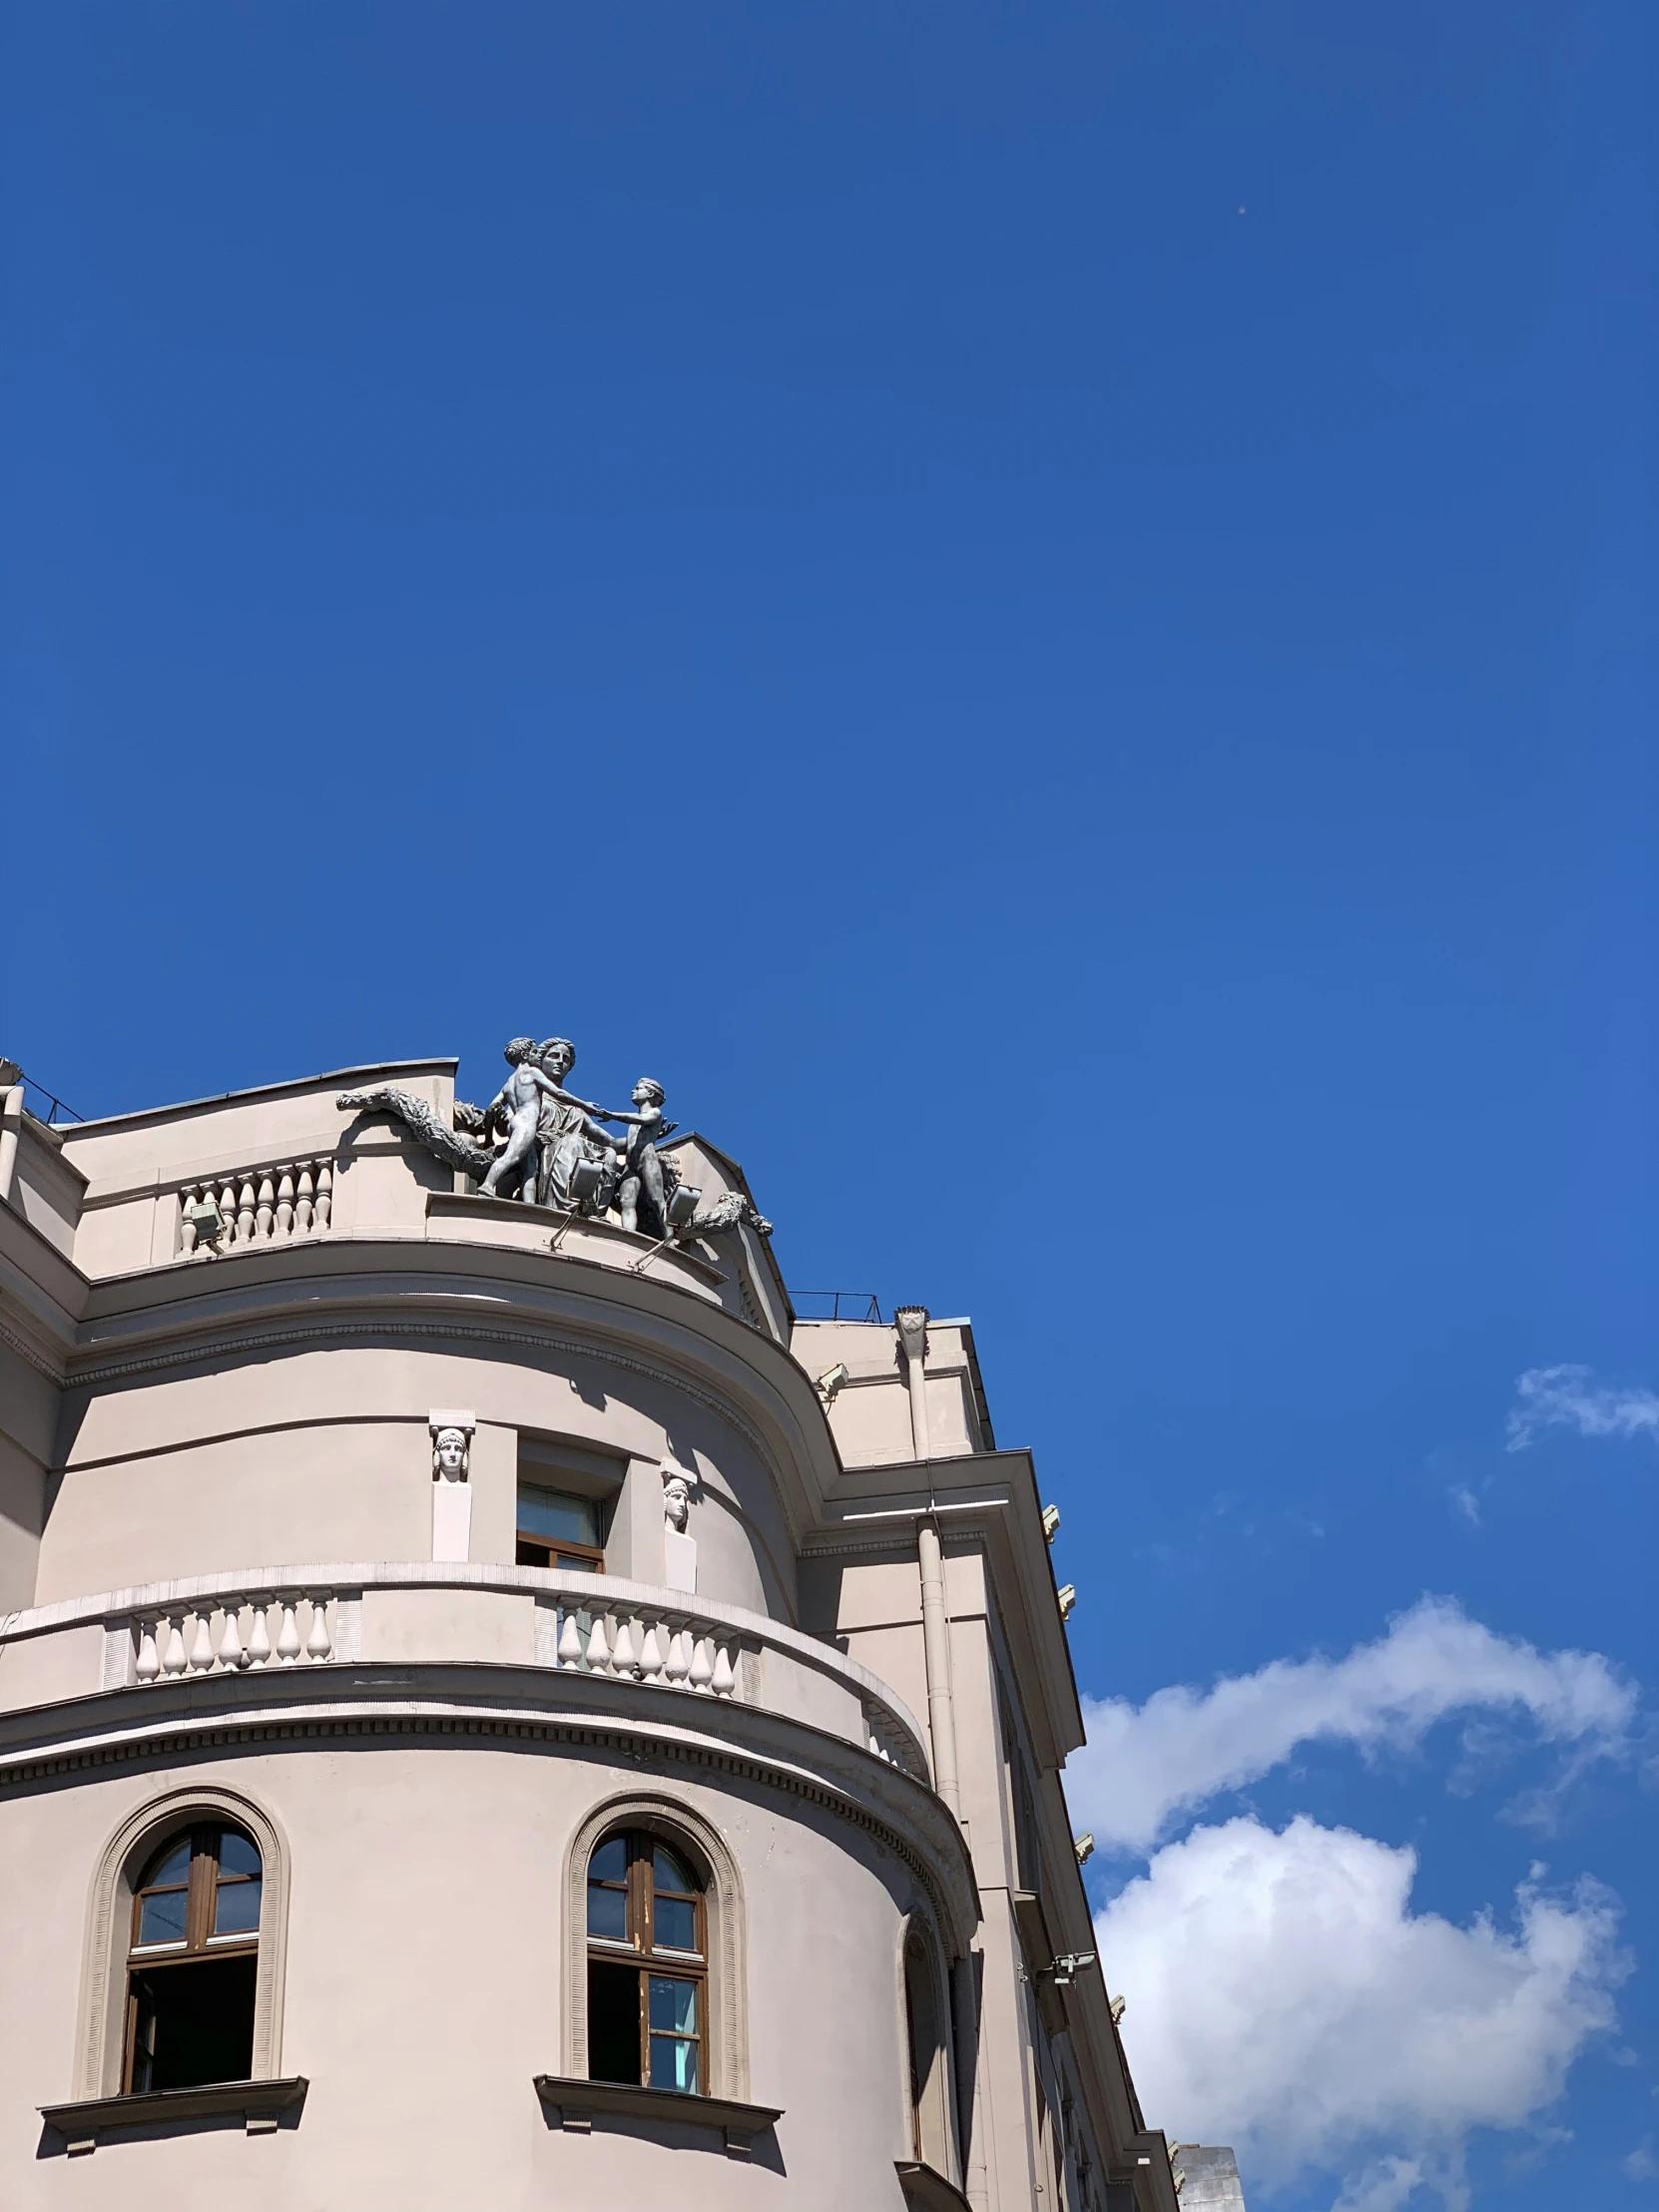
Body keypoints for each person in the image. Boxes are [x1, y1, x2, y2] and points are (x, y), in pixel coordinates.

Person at [479, 1037, 608, 1203]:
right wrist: (585, 1105)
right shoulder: (533, 1072)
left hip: (516, 1122)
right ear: (525, 1055)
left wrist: (488, 1137)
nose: (538, 1056)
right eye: (535, 1052)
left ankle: (529, 1204)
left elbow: (491, 1109)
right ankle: (488, 1185)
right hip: (527, 1123)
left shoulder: (509, 1082)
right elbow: (559, 1093)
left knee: (531, 1170)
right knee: (512, 1157)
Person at [605, 1079, 681, 1237]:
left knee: (656, 1199)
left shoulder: (654, 1112)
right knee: (627, 1202)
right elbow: (620, 1143)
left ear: (650, 1093)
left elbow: (641, 1120)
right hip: (631, 1165)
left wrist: (612, 1115)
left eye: (638, 1088)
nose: (633, 1091)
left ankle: (670, 1238)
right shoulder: (633, 1124)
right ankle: (628, 1236)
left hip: (647, 1160)